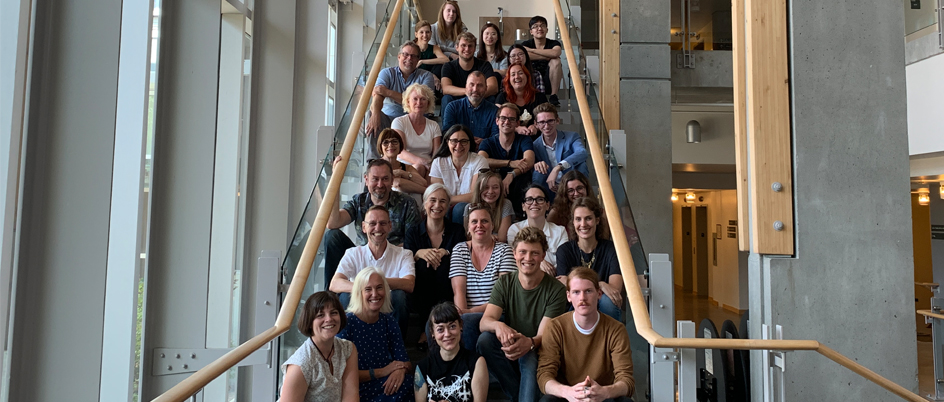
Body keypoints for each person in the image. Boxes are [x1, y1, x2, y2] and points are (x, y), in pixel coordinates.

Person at [478, 227, 568, 402]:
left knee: (529, 356)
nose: (528, 258)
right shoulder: (505, 282)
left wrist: (529, 343)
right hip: (513, 341)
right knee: (485, 340)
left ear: (543, 256)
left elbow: (543, 335)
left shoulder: (556, 290)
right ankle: (517, 394)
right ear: (514, 254)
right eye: (523, 252)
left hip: (540, 348)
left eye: (534, 253)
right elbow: (485, 322)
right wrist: (499, 325)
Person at [537, 268, 635, 402]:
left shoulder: (616, 329)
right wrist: (567, 392)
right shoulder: (555, 327)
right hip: (568, 396)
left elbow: (626, 380)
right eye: (576, 292)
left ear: (599, 294)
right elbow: (544, 376)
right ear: (568, 296)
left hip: (602, 396)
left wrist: (604, 392)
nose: (582, 298)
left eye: (588, 291)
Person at [324, 158, 421, 287]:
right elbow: (333, 223)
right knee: (332, 236)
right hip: (363, 258)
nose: (380, 185)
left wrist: (381, 251)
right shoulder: (359, 201)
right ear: (366, 179)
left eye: (385, 179)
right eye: (375, 179)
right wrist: (336, 182)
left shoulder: (407, 203)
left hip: (393, 261)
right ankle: (330, 298)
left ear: (392, 180)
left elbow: (412, 241)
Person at [329, 205, 416, 337]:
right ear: (364, 227)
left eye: (383, 223)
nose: (378, 228)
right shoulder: (352, 253)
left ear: (390, 226)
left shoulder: (404, 254)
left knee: (399, 296)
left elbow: (409, 284)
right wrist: (365, 288)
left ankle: (395, 349)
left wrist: (376, 286)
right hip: (361, 305)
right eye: (372, 223)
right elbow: (335, 283)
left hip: (388, 305)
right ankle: (346, 346)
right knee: (345, 296)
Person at [403, 184, 467, 347]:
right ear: (424, 204)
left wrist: (446, 252)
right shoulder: (413, 232)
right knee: (425, 265)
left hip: (447, 285)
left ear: (448, 206)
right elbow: (406, 260)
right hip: (421, 289)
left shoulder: (457, 230)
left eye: (443, 201)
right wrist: (418, 254)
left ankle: (445, 322)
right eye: (432, 200)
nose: (437, 205)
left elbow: (463, 257)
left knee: (445, 264)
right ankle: (427, 326)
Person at [337, 268, 413, 402]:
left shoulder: (389, 321)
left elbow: (405, 362)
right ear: (359, 293)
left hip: (385, 384)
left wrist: (399, 370)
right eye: (368, 289)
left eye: (379, 288)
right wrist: (383, 371)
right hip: (355, 388)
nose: (375, 294)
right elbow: (341, 373)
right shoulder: (347, 324)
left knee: (412, 383)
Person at [450, 204, 516, 351]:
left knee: (467, 322)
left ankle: (470, 368)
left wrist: (469, 313)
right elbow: (458, 291)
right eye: (474, 222)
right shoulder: (460, 249)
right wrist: (462, 313)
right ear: (468, 227)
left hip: (497, 315)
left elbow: (504, 298)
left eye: (484, 221)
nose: (479, 225)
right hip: (467, 314)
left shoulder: (504, 251)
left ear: (492, 225)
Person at [280, 292, 359, 402]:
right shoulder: (300, 364)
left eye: (334, 313)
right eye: (320, 315)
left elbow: (351, 397)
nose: (329, 319)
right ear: (309, 322)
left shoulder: (348, 349)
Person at [555, 197, 623, 322]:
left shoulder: (610, 249)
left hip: (602, 302)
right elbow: (564, 285)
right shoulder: (564, 250)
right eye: (578, 219)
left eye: (588, 218)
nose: (583, 224)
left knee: (608, 301)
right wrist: (601, 284)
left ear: (597, 220)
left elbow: (615, 289)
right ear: (573, 223)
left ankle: (610, 339)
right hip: (575, 304)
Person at [366, 42, 437, 158]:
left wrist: (387, 92)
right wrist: (375, 113)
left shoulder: (426, 76)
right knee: (370, 115)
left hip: (414, 121)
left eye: (414, 56)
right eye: (406, 54)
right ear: (399, 57)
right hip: (389, 119)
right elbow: (378, 95)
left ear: (418, 59)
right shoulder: (387, 73)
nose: (409, 58)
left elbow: (420, 103)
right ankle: (374, 161)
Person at [414, 302, 489, 402]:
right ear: (432, 333)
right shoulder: (423, 368)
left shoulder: (477, 362)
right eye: (440, 329)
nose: (447, 334)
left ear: (460, 326)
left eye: (452, 326)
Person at [477, 103, 535, 214]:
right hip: (495, 182)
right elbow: (481, 160)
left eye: (511, 119)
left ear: (518, 123)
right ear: (497, 121)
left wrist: (511, 174)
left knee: (524, 176)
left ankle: (521, 215)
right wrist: (509, 163)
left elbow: (529, 161)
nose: (507, 122)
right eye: (503, 118)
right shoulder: (487, 142)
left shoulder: (524, 140)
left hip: (517, 182)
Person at [429, 125, 489, 223]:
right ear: (447, 142)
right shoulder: (438, 162)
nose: (458, 145)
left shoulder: (479, 161)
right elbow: (437, 193)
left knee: (460, 208)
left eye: (464, 141)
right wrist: (444, 201)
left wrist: (447, 200)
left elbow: (474, 195)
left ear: (470, 143)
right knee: (441, 208)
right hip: (444, 206)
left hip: (471, 207)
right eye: (454, 141)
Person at [507, 185, 568, 274]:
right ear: (523, 206)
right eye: (529, 199)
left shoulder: (560, 231)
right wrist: (540, 261)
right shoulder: (515, 229)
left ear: (547, 205)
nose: (534, 203)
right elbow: (515, 261)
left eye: (540, 199)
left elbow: (563, 263)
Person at [531, 103, 588, 192]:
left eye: (550, 121)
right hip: (549, 188)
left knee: (582, 165)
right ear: (536, 124)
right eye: (542, 122)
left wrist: (558, 167)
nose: (546, 126)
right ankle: (538, 200)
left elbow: (582, 153)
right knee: (538, 170)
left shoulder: (572, 136)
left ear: (557, 120)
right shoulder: (534, 146)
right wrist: (536, 164)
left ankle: (582, 201)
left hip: (571, 186)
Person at [441, 32, 499, 115]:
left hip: (479, 101)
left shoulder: (484, 65)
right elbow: (446, 88)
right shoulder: (448, 66)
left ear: (475, 48)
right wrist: (469, 92)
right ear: (456, 47)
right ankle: (448, 128)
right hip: (457, 102)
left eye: (470, 46)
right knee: (446, 98)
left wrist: (476, 95)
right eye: (463, 45)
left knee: (491, 98)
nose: (467, 49)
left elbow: (493, 87)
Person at [391, 83, 440, 178]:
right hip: (405, 166)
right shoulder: (399, 122)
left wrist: (432, 166)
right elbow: (400, 152)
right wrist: (422, 162)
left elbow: (436, 154)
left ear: (428, 103)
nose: (419, 103)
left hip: (429, 167)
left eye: (423, 99)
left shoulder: (434, 125)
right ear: (408, 101)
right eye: (415, 99)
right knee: (419, 167)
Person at [442, 71, 499, 143]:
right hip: (458, 150)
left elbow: (496, 137)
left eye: (480, 85)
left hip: (484, 151)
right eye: (471, 85)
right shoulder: (452, 107)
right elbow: (446, 135)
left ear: (486, 88)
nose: (475, 89)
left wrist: (484, 143)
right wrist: (467, 143)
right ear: (466, 86)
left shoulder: (495, 111)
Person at [377, 129, 427, 204]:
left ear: (400, 145)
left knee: (415, 194)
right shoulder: (376, 166)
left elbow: (423, 183)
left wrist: (402, 173)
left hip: (404, 206)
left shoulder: (405, 167)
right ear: (380, 147)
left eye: (394, 141)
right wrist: (426, 191)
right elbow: (398, 183)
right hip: (382, 205)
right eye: (386, 142)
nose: (390, 145)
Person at [495, 64, 547, 137]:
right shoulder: (502, 97)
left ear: (527, 76)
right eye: (513, 74)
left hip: (535, 140)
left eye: (520, 73)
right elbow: (497, 122)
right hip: (511, 139)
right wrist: (515, 129)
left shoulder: (539, 97)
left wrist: (536, 127)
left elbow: (547, 118)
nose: (517, 76)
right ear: (508, 79)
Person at [521, 16, 563, 106]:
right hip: (532, 78)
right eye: (535, 26)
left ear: (547, 29)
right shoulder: (526, 44)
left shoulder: (554, 43)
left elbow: (556, 53)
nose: (539, 28)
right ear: (531, 32)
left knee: (556, 61)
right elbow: (524, 56)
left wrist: (532, 50)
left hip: (550, 79)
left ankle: (553, 95)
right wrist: (547, 56)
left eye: (542, 25)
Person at [462, 172, 514, 243]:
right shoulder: (469, 208)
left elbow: (502, 238)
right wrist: (489, 237)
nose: (490, 191)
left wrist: (484, 237)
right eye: (486, 187)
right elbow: (469, 237)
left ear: (501, 189)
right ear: (479, 189)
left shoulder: (505, 204)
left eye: (495, 187)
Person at [546, 170, 592, 240]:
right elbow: (548, 240)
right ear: (565, 193)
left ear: (586, 188)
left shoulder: (598, 212)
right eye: (570, 190)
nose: (576, 193)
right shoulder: (556, 213)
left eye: (579, 188)